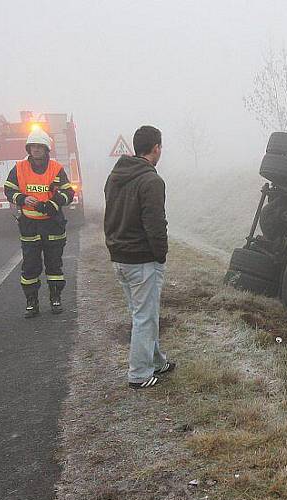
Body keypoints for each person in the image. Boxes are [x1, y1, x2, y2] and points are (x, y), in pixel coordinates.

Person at [104, 125, 173, 389]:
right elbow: (156, 224)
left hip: (120, 257)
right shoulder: (152, 181)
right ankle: (139, 374)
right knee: (145, 317)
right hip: (141, 260)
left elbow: (110, 214)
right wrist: (161, 254)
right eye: (160, 147)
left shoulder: (114, 176)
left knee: (143, 314)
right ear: (156, 148)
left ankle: (157, 362)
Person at [4, 127, 75, 318]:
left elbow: (69, 193)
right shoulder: (19, 168)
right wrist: (22, 198)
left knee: (54, 266)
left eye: (39, 146)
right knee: (30, 267)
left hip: (53, 224)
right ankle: (31, 302)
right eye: (32, 146)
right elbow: (8, 190)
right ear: (28, 149)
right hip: (29, 226)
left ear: (46, 149)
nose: (35, 150)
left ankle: (55, 298)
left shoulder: (56, 168)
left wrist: (52, 204)